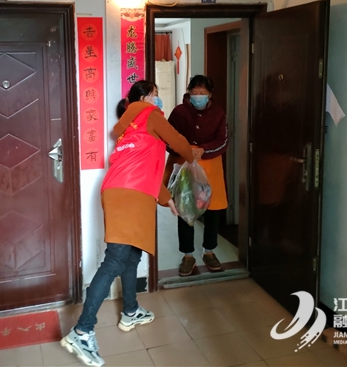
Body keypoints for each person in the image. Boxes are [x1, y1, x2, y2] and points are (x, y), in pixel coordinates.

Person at [61, 80, 196, 367]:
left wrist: (167, 198)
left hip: (120, 190)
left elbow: (145, 167)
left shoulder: (128, 128)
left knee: (132, 254)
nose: (158, 100)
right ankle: (82, 331)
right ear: (145, 98)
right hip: (130, 194)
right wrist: (193, 155)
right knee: (115, 260)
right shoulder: (150, 114)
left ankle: (131, 311)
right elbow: (179, 143)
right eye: (156, 95)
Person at [164, 75, 229, 277]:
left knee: (213, 211)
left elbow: (223, 140)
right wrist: (186, 149)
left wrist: (203, 150)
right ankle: (188, 255)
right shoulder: (179, 112)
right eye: (195, 92)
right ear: (189, 93)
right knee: (186, 210)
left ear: (210, 94)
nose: (198, 96)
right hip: (185, 167)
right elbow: (167, 138)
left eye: (202, 92)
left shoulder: (218, 113)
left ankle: (209, 251)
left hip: (211, 168)